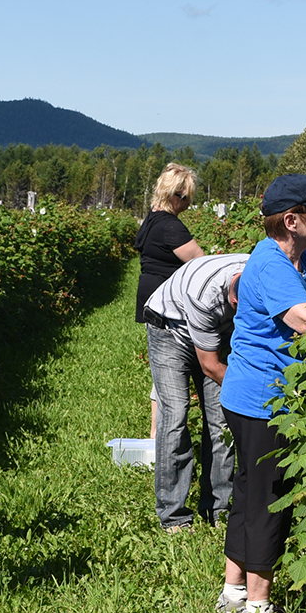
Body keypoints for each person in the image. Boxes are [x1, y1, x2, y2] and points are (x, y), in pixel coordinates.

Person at [216, 174, 306, 613]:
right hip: (265, 400)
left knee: (249, 491)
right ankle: (258, 605)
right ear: (291, 220)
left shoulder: (300, 261)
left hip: (254, 394)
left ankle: (232, 591)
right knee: (268, 497)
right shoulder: (272, 264)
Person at [144, 251, 250, 532]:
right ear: (234, 299)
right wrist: (249, 391)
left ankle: (218, 509)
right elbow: (211, 366)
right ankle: (174, 516)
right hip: (169, 329)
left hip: (218, 329)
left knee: (221, 421)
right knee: (175, 415)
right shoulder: (206, 294)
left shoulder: (260, 273)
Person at [136, 164, 205, 435]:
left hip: (152, 299)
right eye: (186, 197)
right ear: (174, 195)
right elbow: (200, 262)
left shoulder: (153, 217)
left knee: (161, 372)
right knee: (169, 373)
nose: (188, 204)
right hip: (169, 305)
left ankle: (156, 432)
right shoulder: (170, 226)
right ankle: (160, 435)